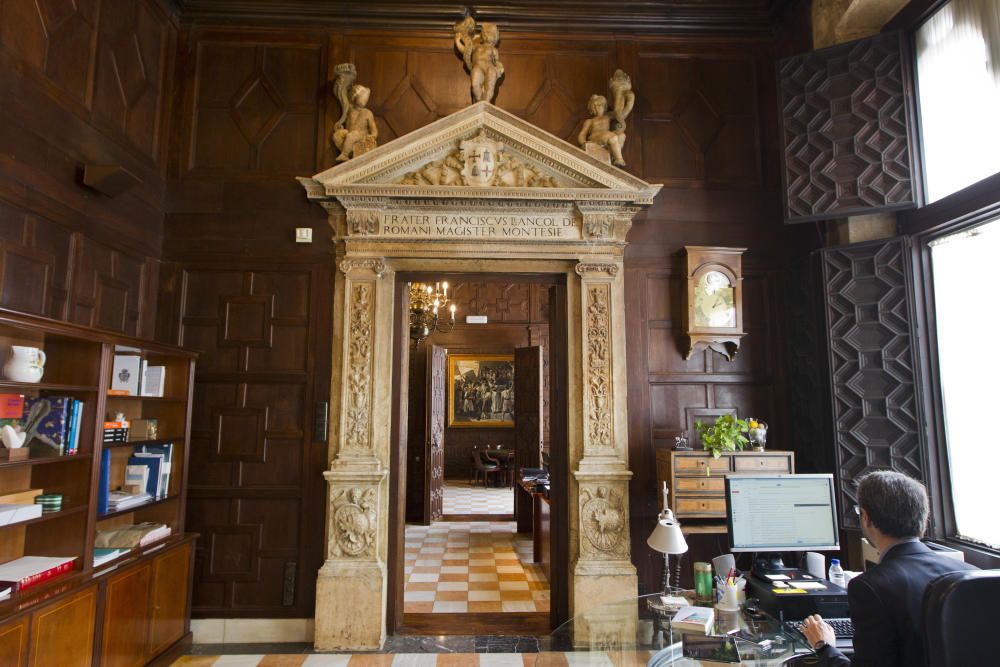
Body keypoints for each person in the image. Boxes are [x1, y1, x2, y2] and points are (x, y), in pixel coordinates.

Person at [801, 470, 977, 666]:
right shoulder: (973, 574)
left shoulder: (870, 586)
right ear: (924, 517)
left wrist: (824, 647)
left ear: (866, 517)